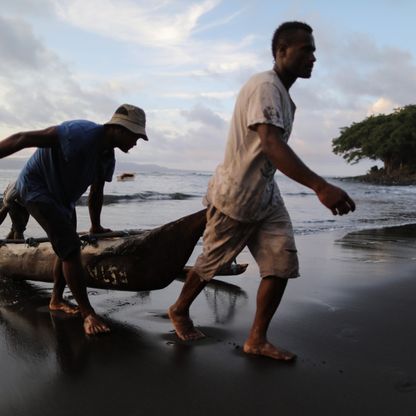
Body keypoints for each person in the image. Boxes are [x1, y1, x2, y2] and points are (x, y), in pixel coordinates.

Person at [168, 21, 355, 360]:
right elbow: (270, 143)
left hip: (266, 194)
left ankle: (256, 339)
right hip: (236, 195)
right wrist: (320, 186)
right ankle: (180, 309)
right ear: (281, 51)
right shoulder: (265, 86)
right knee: (211, 263)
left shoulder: (283, 95)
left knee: (280, 264)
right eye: (305, 50)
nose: (313, 57)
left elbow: (270, 150)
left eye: (314, 50)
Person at [0, 104, 148, 335]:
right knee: (70, 250)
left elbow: (96, 193)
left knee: (68, 247)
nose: (136, 142)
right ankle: (88, 313)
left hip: (63, 200)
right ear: (119, 129)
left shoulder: (107, 158)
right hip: (36, 188)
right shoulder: (78, 133)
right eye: (135, 136)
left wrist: (95, 225)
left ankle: (56, 299)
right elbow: (23, 137)